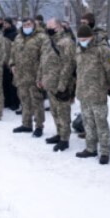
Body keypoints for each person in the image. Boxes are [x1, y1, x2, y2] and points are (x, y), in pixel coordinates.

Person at [74, 25, 110, 164]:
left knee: (101, 123)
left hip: (98, 92)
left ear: (91, 37)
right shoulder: (79, 49)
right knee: (88, 122)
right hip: (83, 92)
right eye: (80, 39)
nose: (82, 41)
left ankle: (105, 152)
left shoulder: (102, 50)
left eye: (85, 39)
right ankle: (90, 148)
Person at [37, 18, 76, 151]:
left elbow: (69, 65)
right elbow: (42, 61)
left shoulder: (66, 42)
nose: (47, 27)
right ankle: (59, 134)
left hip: (61, 85)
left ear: (59, 27)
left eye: (50, 25)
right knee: (54, 112)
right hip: (49, 83)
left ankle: (64, 139)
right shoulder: (48, 41)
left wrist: (63, 84)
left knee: (63, 112)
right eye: (47, 25)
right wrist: (40, 78)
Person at [9, 18, 48, 136]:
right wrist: (12, 64)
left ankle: (39, 126)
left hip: (34, 76)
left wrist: (42, 75)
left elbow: (45, 58)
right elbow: (13, 53)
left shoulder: (41, 38)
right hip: (20, 76)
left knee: (37, 102)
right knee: (24, 101)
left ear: (34, 25)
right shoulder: (18, 37)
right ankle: (26, 124)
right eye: (24, 25)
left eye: (29, 24)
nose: (26, 27)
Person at [1, 17, 21, 111]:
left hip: (11, 61)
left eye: (6, 23)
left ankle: (14, 103)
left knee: (13, 84)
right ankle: (7, 101)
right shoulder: (3, 33)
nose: (4, 25)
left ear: (10, 24)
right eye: (3, 23)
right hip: (3, 61)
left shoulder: (15, 34)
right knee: (5, 83)